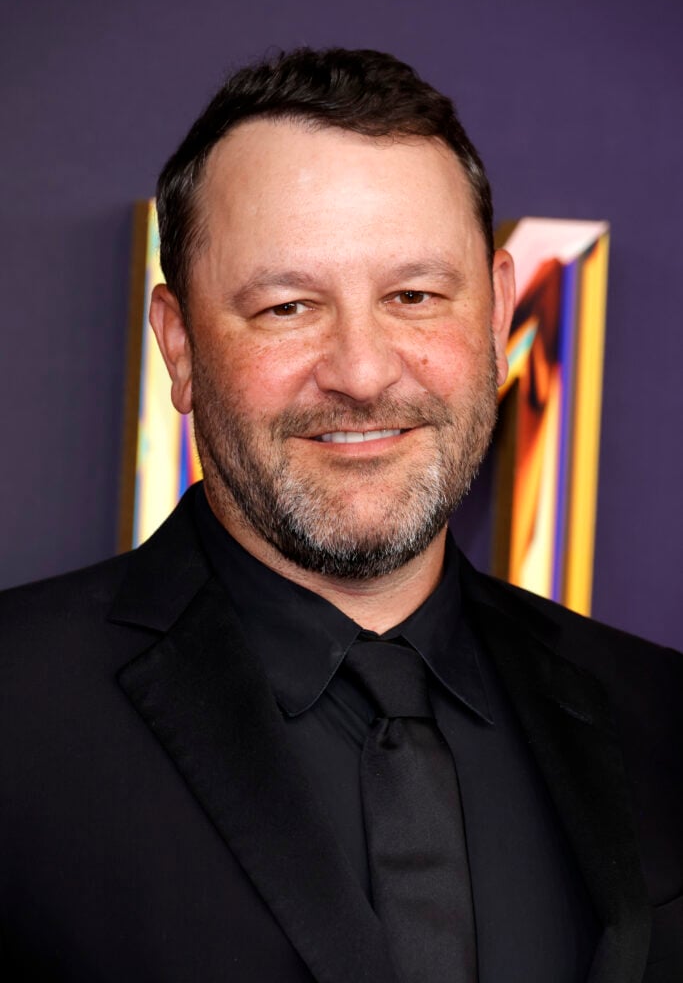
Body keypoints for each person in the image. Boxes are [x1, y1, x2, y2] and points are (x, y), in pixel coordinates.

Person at [0, 48, 681, 983]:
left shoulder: (660, 717)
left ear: (493, 322)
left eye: (413, 297)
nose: (361, 372)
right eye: (287, 307)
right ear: (179, 344)